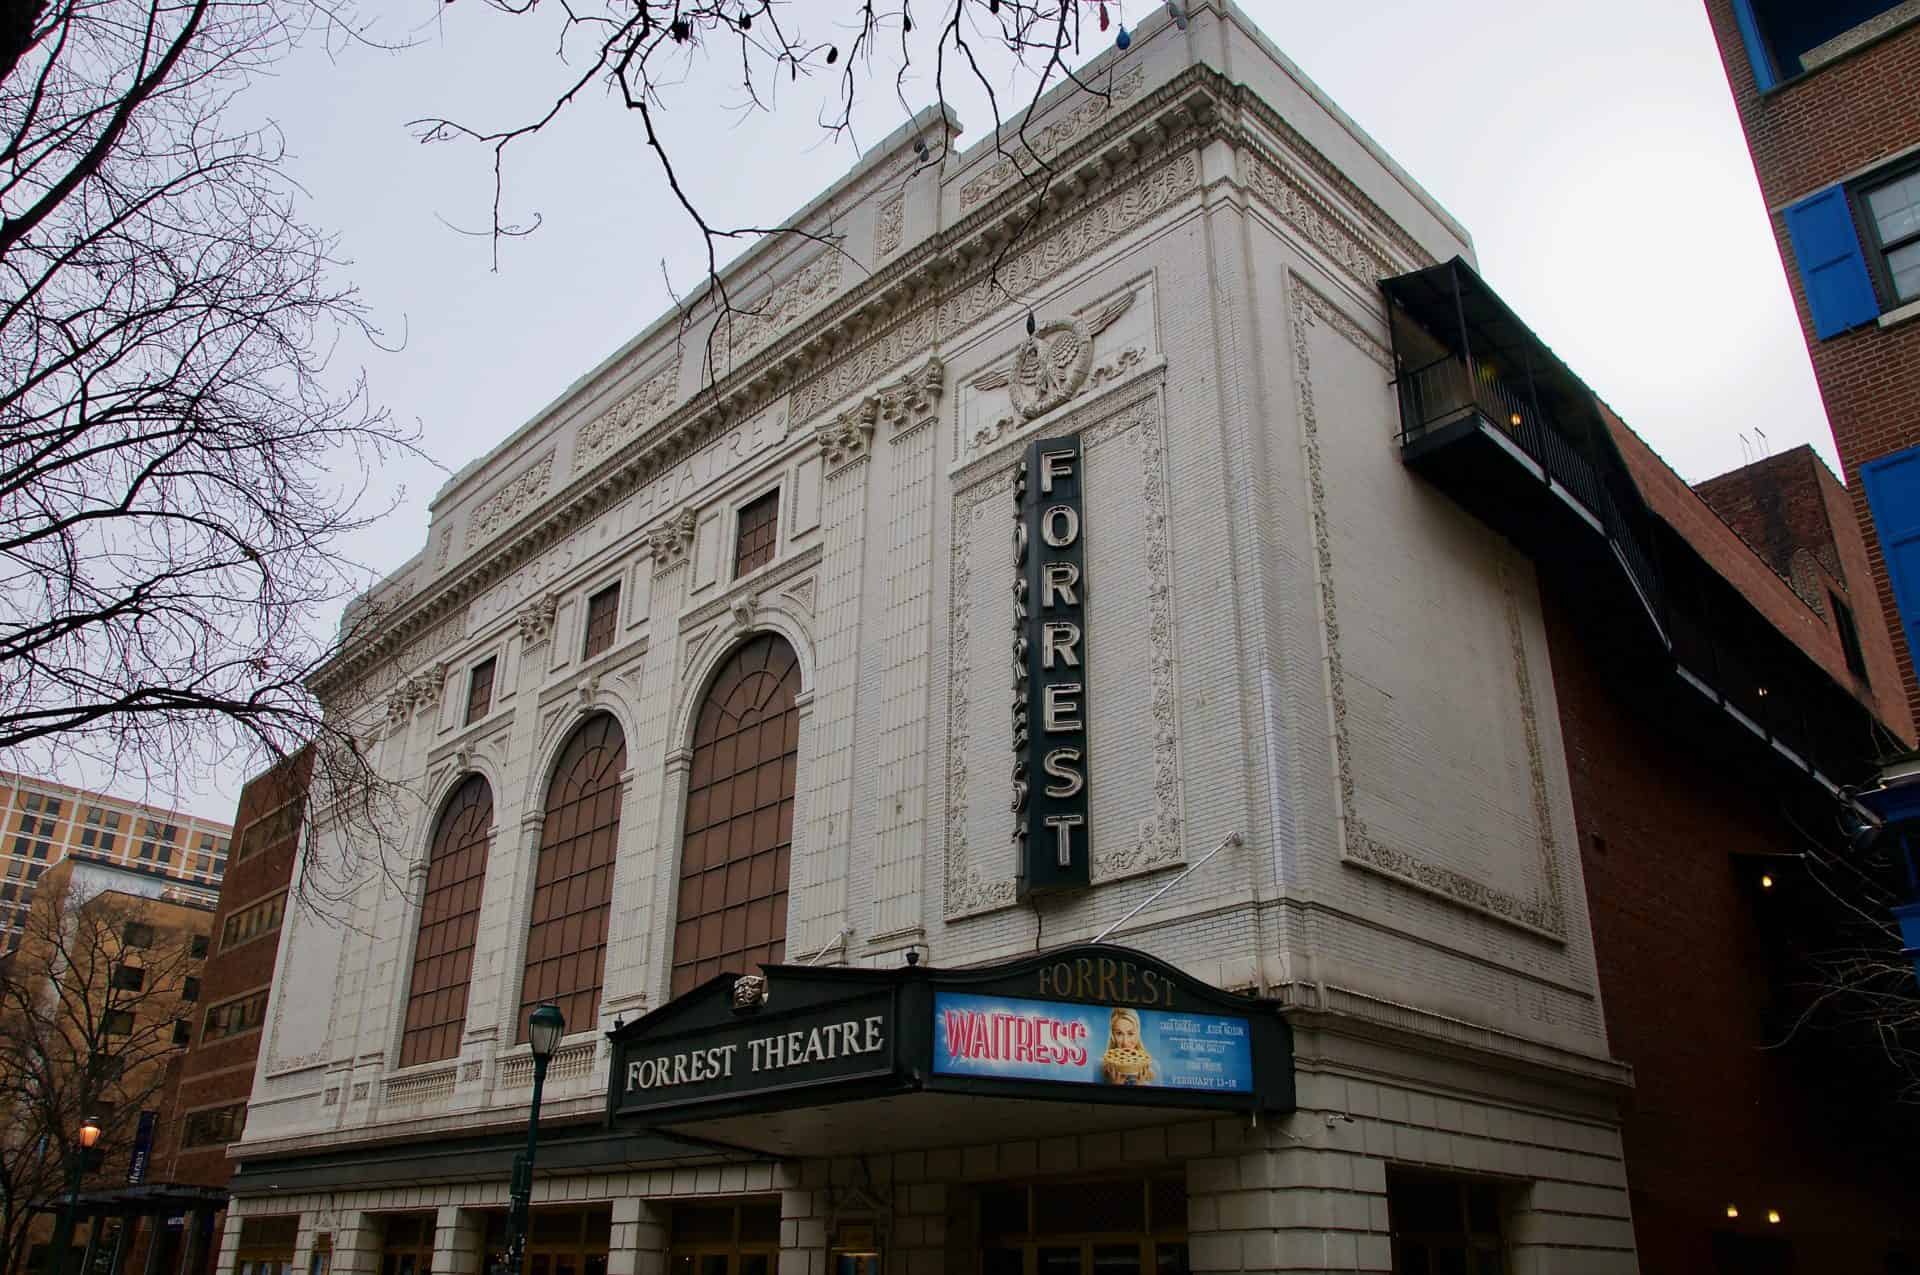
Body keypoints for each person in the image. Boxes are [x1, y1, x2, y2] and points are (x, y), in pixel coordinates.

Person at [1100, 1007, 1156, 1085]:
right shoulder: (1098, 1068)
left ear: (1138, 1033)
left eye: (1130, 1033)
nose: (1125, 1042)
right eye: (1119, 1033)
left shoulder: (1154, 1068)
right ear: (1112, 1035)